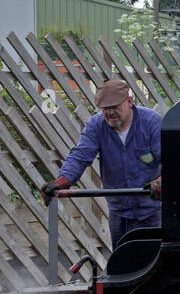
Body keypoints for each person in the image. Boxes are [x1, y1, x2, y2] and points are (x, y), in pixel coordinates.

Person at [41, 79, 163, 249]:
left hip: (153, 211)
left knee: (154, 263)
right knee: (122, 265)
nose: (110, 113)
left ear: (129, 102)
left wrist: (162, 181)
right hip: (119, 212)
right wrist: (62, 181)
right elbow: (80, 156)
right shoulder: (96, 126)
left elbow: (172, 160)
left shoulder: (152, 122)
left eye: (115, 107)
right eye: (105, 109)